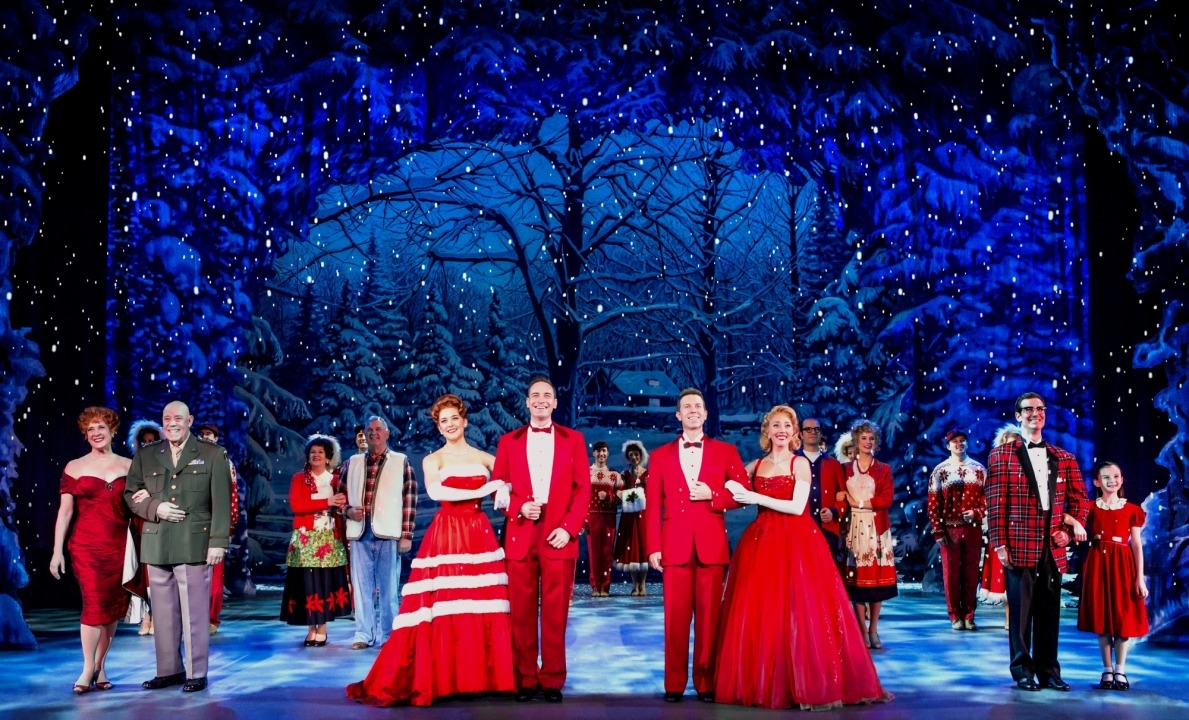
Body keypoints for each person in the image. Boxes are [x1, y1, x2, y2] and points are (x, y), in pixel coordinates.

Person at [714, 405, 889, 709]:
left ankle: (805, 682)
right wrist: (718, 489)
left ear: (794, 432)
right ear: (767, 431)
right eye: (776, 425)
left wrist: (754, 496)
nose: (781, 430)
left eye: (787, 426)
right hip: (760, 542)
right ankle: (765, 681)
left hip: (797, 541)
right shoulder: (756, 464)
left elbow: (797, 507)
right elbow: (730, 488)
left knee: (801, 611)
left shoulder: (800, 464)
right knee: (763, 613)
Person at [348, 395, 515, 706]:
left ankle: (481, 676)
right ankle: (443, 677)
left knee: (480, 602)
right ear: (438, 427)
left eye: (454, 419)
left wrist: (504, 487)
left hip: (478, 533)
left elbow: (512, 480)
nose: (450, 425)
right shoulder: (433, 459)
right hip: (448, 533)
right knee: (443, 604)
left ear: (465, 421)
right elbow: (438, 492)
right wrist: (487, 487)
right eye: (443, 421)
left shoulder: (487, 458)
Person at [645, 388, 751, 703]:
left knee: (709, 621)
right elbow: (652, 506)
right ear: (678, 414)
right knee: (675, 621)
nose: (693, 410)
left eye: (698, 406)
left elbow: (744, 493)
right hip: (673, 547)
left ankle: (706, 683)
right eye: (687, 406)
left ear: (705, 414)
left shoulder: (726, 451)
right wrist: (653, 546)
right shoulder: (660, 455)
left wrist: (714, 496)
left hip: (711, 548)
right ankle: (674, 683)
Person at [494, 376, 591, 703]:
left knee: (555, 612)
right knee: (521, 612)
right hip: (521, 531)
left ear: (555, 402)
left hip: (558, 533)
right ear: (527, 402)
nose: (540, 400)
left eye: (546, 395)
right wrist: (519, 507)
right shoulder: (508, 441)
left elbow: (583, 489)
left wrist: (569, 528)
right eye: (535, 395)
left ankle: (552, 679)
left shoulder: (573, 439)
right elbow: (498, 489)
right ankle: (524, 678)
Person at [124, 401, 232, 693]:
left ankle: (197, 672)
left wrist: (218, 542)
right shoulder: (147, 455)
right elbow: (131, 493)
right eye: (167, 418)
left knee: (195, 613)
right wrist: (155, 507)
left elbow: (221, 501)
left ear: (190, 421)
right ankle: (169, 670)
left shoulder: (212, 454)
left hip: (195, 540)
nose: (172, 423)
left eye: (178, 418)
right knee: (162, 613)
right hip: (157, 540)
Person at [985, 392, 1088, 691]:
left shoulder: (1064, 457)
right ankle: (1022, 670)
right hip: (1018, 542)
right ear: (1018, 416)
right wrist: (999, 544)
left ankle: (1048, 671)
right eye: (1028, 409)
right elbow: (995, 503)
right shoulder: (1001, 455)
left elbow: (1080, 500)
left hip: (1052, 545)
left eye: (1040, 409)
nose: (1035, 413)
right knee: (1020, 613)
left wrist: (1067, 531)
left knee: (1049, 611)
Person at [50, 407, 141, 694]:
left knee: (111, 610)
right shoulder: (74, 466)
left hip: (120, 547)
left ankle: (101, 667)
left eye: (101, 427)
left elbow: (139, 506)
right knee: (94, 605)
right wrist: (57, 551)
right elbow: (65, 512)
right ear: (85, 435)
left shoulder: (130, 466)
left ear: (112, 430)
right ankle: (88, 667)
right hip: (86, 547)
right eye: (90, 429)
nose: (96, 433)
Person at [342, 416, 418, 649]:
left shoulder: (400, 461)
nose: (373, 433)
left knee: (388, 589)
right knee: (361, 588)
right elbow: (339, 496)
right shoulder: (352, 462)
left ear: (387, 434)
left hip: (389, 533)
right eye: (369, 429)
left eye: (378, 429)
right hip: (360, 534)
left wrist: (406, 534)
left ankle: (388, 635)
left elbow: (410, 498)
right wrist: (347, 511)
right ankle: (363, 634)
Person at [1077, 461, 1149, 691]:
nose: (1112, 481)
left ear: (1122, 479)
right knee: (1102, 618)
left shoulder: (1131, 510)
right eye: (1106, 477)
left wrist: (1139, 578)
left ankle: (1120, 669)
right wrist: (1073, 523)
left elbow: (1136, 545)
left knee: (1122, 617)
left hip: (1123, 565)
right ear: (1097, 482)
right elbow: (1067, 517)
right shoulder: (1090, 507)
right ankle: (1107, 670)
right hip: (1098, 563)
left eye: (1116, 476)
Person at [280, 435, 350, 647]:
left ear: (328, 457)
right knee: (308, 584)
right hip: (305, 537)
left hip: (328, 537)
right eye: (313, 452)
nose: (316, 455)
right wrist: (327, 502)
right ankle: (311, 628)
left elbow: (342, 505)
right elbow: (297, 505)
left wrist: (340, 503)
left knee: (324, 583)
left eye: (321, 452)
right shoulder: (299, 478)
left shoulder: (335, 480)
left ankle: (323, 628)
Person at [837, 419, 898, 649]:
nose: (867, 442)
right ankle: (862, 630)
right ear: (856, 440)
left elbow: (886, 499)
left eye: (871, 438)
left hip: (876, 528)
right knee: (857, 583)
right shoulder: (845, 469)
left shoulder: (883, 469)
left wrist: (859, 503)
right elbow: (839, 496)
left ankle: (873, 630)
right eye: (863, 438)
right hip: (853, 529)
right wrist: (841, 499)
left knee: (876, 582)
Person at [928, 429, 987, 631]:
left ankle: (969, 615)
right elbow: (933, 502)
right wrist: (938, 530)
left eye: (962, 440)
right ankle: (954, 615)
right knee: (951, 574)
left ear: (967, 444)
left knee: (971, 573)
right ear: (948, 446)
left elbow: (987, 498)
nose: (959, 444)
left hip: (972, 529)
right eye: (955, 441)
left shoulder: (978, 469)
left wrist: (977, 513)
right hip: (949, 530)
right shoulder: (940, 470)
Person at [194, 422, 240, 635]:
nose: (205, 437)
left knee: (214, 575)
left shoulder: (224, 461)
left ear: (216, 438)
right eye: (202, 434)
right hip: (192, 526)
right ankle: (192, 617)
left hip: (215, 526)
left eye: (209, 434)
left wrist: (228, 527)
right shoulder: (189, 459)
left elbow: (231, 497)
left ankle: (211, 618)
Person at [979, 424, 1020, 626]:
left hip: (1023, 529)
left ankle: (1020, 619)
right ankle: (1010, 618)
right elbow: (989, 500)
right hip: (1002, 529)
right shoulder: (996, 471)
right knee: (1005, 575)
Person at [126, 419, 162, 636]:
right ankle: (146, 615)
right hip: (139, 521)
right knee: (142, 569)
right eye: (144, 441)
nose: (148, 444)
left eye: (152, 441)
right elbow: (131, 493)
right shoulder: (134, 464)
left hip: (158, 519)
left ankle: (157, 615)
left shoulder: (165, 463)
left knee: (156, 569)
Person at [796, 418, 844, 559]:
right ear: (800, 434)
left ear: (821, 433)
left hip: (827, 530)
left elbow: (844, 496)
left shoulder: (833, 464)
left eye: (816, 429)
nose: (813, 432)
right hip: (798, 529)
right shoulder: (792, 462)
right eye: (808, 429)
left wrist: (833, 512)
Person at [585, 441, 622, 597]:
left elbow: (622, 497)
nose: (601, 454)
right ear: (594, 453)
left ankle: (605, 586)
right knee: (594, 553)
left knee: (607, 552)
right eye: (598, 451)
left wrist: (608, 496)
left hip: (608, 517)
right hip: (591, 516)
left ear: (608, 453)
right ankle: (595, 586)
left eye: (604, 451)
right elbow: (580, 497)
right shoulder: (586, 473)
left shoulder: (615, 474)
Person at [614, 440, 650, 596]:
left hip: (644, 517)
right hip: (629, 518)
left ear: (641, 455)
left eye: (636, 454)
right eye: (631, 455)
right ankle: (635, 584)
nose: (634, 457)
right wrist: (619, 493)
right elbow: (618, 492)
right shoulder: (625, 475)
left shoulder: (648, 474)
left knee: (643, 548)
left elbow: (653, 494)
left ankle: (643, 584)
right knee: (632, 548)